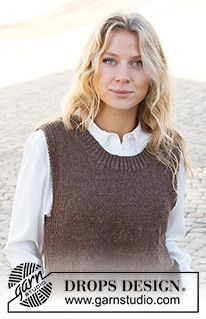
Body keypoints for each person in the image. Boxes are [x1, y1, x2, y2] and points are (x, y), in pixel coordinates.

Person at [4, 12, 192, 275]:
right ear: (91, 66)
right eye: (110, 61)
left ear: (154, 71)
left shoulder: (169, 150)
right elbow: (23, 252)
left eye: (138, 63)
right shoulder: (49, 145)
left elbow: (170, 242)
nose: (123, 76)